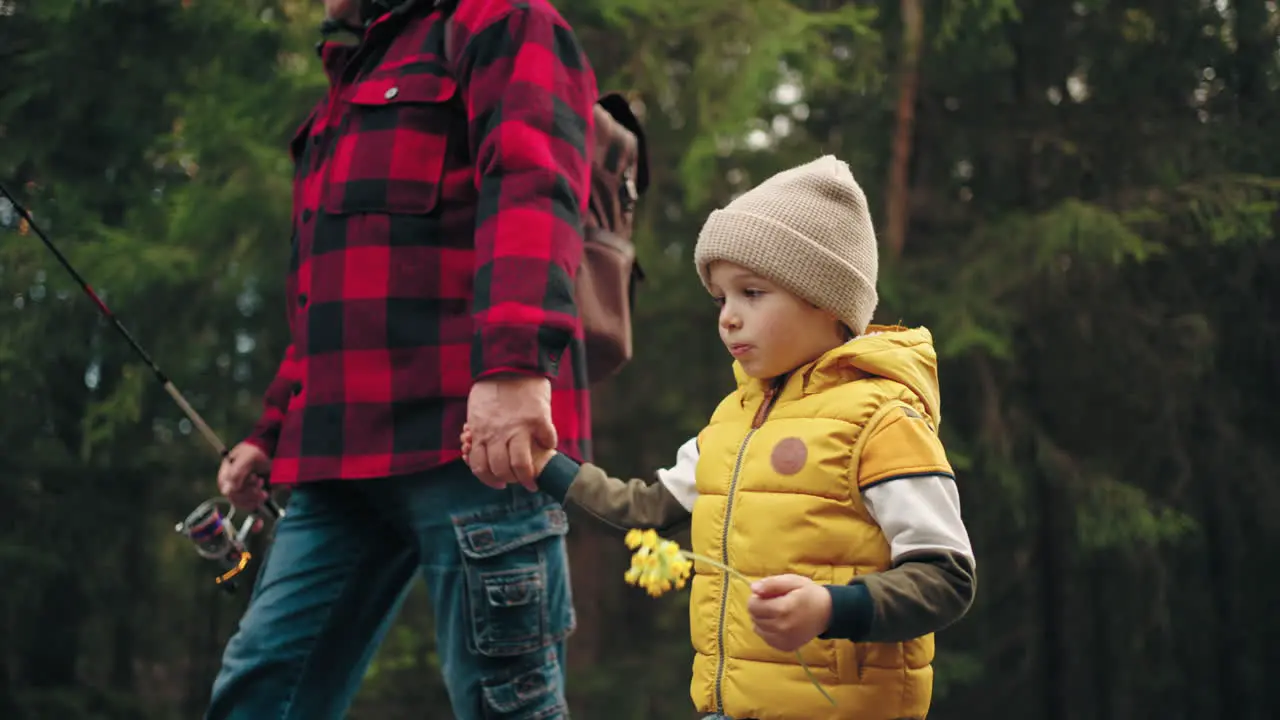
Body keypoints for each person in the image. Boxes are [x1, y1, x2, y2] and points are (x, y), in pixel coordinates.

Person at [464, 155, 978, 720]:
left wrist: (833, 607)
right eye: (721, 298)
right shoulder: (731, 422)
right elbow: (645, 510)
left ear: (826, 298)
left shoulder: (884, 420)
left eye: (751, 293)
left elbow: (946, 576)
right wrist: (545, 466)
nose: (728, 318)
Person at [207, 0, 597, 718]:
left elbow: (532, 185)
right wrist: (270, 431)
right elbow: (328, 292)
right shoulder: (353, 76)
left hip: (478, 446)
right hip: (335, 459)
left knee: (503, 705)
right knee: (260, 687)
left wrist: (513, 368)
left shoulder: (500, 18)